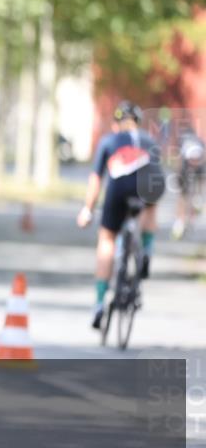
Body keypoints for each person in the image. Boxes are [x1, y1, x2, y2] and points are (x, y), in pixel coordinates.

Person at [76, 101, 165, 330]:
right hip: (146, 187)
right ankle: (146, 249)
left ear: (116, 124)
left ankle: (98, 303)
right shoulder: (149, 140)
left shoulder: (109, 141)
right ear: (137, 122)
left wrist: (87, 210)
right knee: (151, 204)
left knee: (106, 239)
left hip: (118, 188)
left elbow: (96, 180)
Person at [172, 125, 205, 239]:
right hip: (199, 163)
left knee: (182, 196)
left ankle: (179, 222)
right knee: (196, 188)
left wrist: (178, 175)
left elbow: (178, 159)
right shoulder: (198, 140)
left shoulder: (182, 140)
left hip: (187, 164)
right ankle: (198, 201)